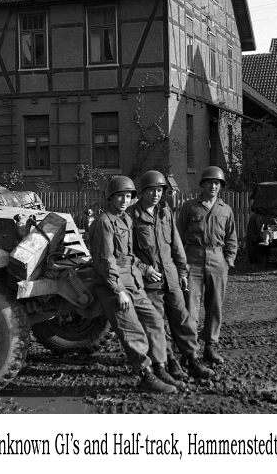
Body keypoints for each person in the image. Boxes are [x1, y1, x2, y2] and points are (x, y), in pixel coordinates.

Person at [88, 175, 176, 394]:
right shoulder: (104, 222)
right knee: (133, 330)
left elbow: (129, 256)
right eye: (120, 196)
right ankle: (146, 375)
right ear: (110, 198)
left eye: (128, 196)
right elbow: (104, 260)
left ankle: (159, 367)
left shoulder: (126, 220)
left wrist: (145, 269)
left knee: (155, 320)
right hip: (113, 285)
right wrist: (118, 290)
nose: (124, 200)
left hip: (133, 281)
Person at [127, 171, 215, 382]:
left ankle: (191, 359)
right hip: (151, 281)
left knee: (181, 319)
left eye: (159, 190)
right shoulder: (131, 216)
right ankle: (169, 363)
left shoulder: (164, 212)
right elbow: (126, 253)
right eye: (152, 190)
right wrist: (144, 268)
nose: (156, 194)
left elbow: (175, 244)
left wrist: (182, 271)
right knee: (157, 325)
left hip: (171, 277)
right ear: (143, 191)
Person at [177, 166, 237, 364]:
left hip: (217, 259)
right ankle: (190, 350)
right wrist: (181, 262)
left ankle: (210, 346)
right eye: (210, 182)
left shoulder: (225, 210)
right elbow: (177, 235)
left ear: (221, 187)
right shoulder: (190, 207)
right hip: (193, 257)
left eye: (217, 183)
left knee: (215, 305)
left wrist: (228, 261)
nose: (213, 186)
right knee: (190, 306)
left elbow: (231, 238)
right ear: (202, 184)